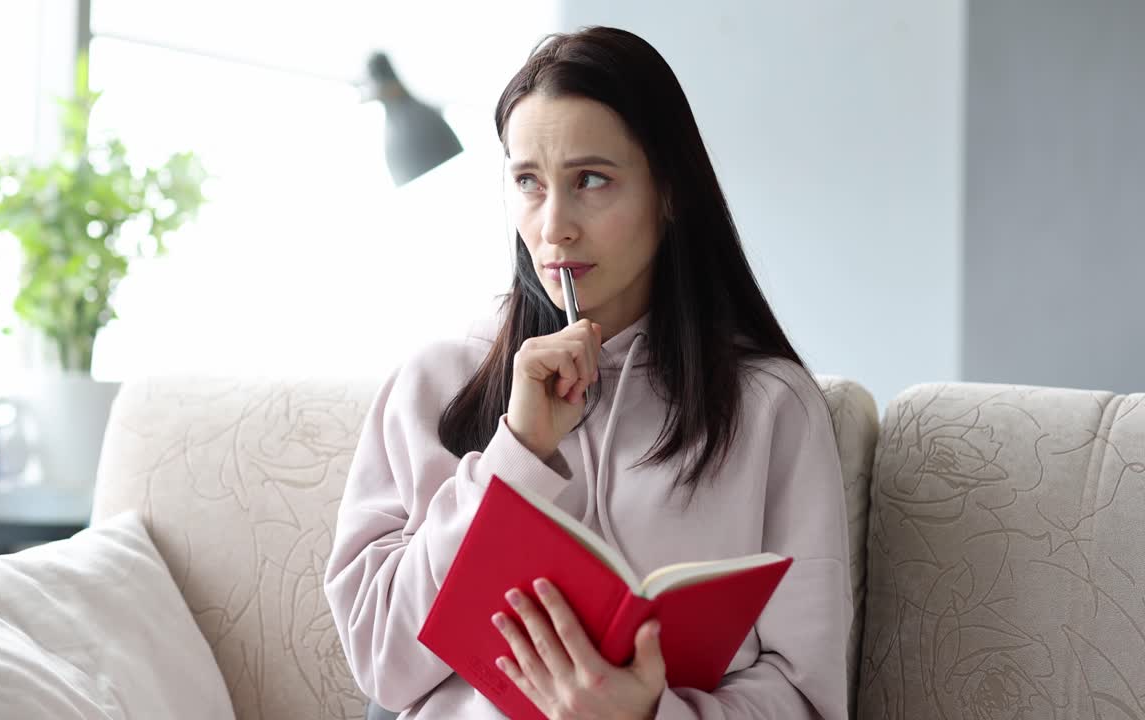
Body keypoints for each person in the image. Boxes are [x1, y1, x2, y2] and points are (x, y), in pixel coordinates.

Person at [325, 26, 850, 720]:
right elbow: (380, 663)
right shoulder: (436, 379)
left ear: (669, 190)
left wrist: (646, 716)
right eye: (527, 183)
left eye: (591, 180)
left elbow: (810, 698)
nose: (554, 227)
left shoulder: (770, 407)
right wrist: (516, 451)